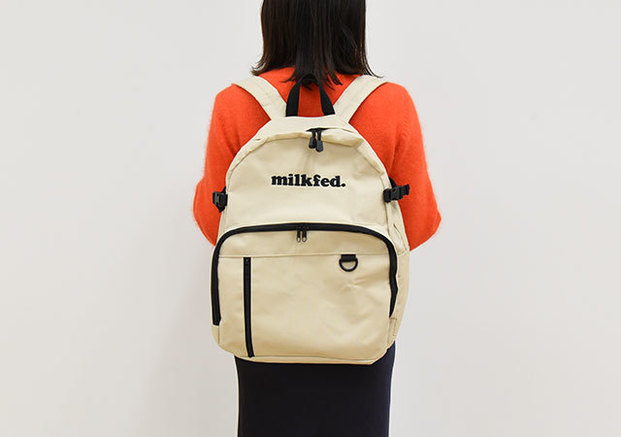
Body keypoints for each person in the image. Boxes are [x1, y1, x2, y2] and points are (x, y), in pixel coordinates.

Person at [193, 0, 442, 435]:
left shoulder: (236, 103)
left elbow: (213, 223)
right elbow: (417, 225)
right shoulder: (390, 104)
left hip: (263, 324)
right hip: (358, 321)